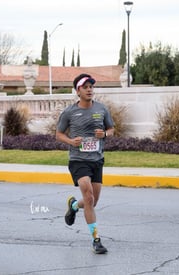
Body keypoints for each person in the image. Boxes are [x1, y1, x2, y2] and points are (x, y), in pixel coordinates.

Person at [56, 73, 115, 254]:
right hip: (78, 160)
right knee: (88, 196)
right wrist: (71, 141)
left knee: (93, 201)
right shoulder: (69, 112)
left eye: (91, 87)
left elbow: (111, 129)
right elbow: (59, 134)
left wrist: (104, 134)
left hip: (96, 160)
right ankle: (96, 240)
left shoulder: (102, 109)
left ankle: (73, 206)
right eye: (85, 87)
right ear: (78, 91)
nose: (89, 90)